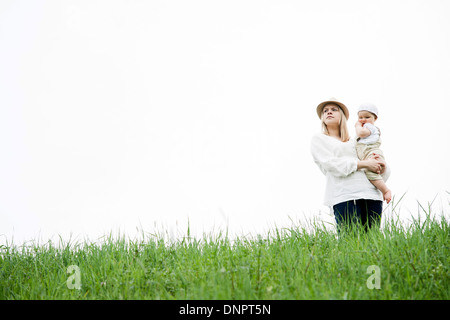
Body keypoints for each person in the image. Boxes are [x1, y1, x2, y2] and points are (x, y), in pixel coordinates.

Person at [310, 98, 390, 232]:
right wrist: (363, 164)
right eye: (325, 111)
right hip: (344, 196)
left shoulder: (357, 141)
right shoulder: (320, 139)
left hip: (371, 195)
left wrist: (382, 166)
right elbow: (331, 164)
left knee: (373, 240)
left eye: (334, 109)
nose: (329, 112)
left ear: (342, 115)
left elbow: (375, 166)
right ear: (322, 118)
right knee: (349, 240)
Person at [355, 103, 392, 204]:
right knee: (371, 172)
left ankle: (385, 190)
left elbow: (361, 134)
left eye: (367, 117)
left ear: (375, 118)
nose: (363, 120)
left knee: (371, 173)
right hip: (368, 155)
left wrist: (357, 125)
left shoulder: (370, 127)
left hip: (372, 153)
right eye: (360, 117)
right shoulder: (366, 127)